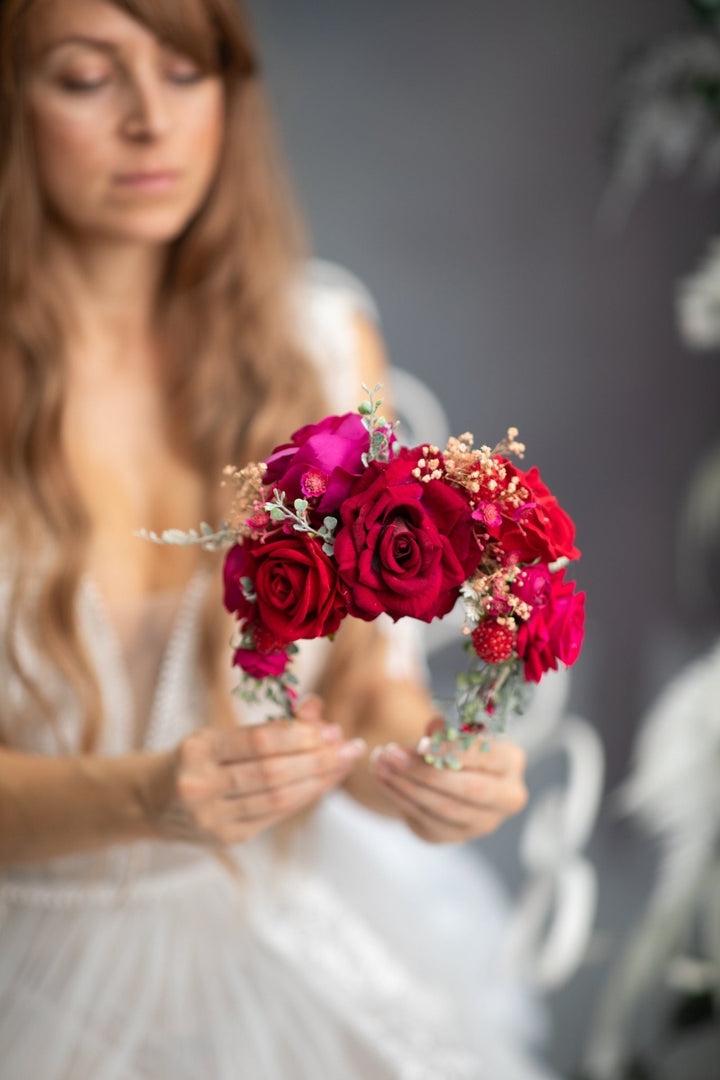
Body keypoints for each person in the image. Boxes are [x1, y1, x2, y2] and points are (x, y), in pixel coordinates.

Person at [0, 1, 555, 1077]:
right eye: (85, 77)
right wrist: (145, 798)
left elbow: (357, 689)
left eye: (185, 70)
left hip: (285, 921)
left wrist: (420, 764)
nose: (150, 121)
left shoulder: (314, 338)